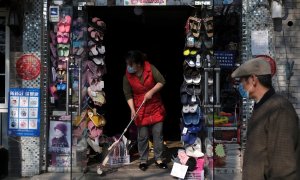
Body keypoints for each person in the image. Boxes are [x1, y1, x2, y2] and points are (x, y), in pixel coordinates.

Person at [231, 57, 300, 180]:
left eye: (242, 82)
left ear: (253, 79)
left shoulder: (279, 110)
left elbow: (284, 168)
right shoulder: (262, 107)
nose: (240, 86)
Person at [123, 50, 168, 171]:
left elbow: (162, 81)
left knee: (158, 134)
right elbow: (128, 94)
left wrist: (151, 92)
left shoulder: (150, 68)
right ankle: (143, 160)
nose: (128, 67)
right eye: (127, 64)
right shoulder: (127, 75)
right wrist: (132, 110)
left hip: (155, 107)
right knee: (142, 136)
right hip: (140, 108)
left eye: (131, 64)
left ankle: (159, 159)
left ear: (138, 64)